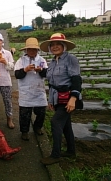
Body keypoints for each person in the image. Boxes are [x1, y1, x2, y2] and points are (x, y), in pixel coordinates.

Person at [39, 33, 82, 165]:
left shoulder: (71, 59)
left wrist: (73, 99)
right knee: (66, 125)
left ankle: (55, 155)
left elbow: (76, 79)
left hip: (68, 98)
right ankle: (70, 151)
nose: (55, 46)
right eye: (52, 44)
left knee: (55, 122)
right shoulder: (52, 62)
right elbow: (52, 83)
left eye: (58, 44)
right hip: (58, 98)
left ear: (64, 46)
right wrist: (51, 100)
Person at [14, 38, 48, 141]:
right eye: (30, 49)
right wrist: (25, 70)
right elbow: (17, 75)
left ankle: (37, 127)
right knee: (25, 114)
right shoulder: (21, 61)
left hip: (38, 91)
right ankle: (24, 132)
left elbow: (46, 73)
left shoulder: (41, 60)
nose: (32, 51)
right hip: (26, 92)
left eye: (34, 49)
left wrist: (40, 70)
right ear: (26, 50)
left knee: (41, 112)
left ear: (37, 50)